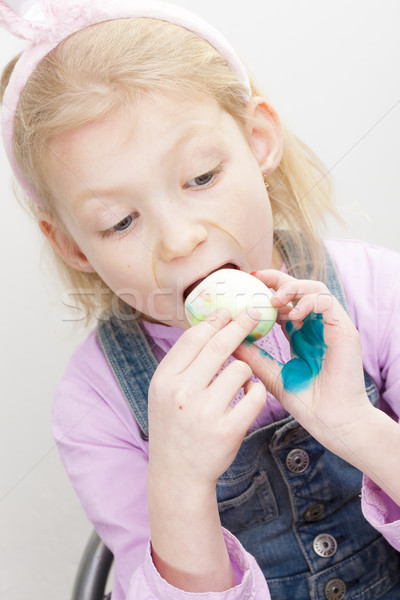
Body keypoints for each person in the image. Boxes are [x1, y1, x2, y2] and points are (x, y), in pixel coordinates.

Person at [1, 1, 400, 598]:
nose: (179, 239)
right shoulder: (96, 403)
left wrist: (354, 425)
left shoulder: (374, 291)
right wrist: (179, 486)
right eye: (119, 220)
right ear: (74, 246)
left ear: (258, 141)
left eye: (201, 178)